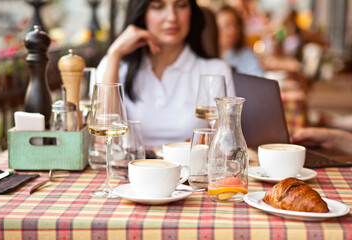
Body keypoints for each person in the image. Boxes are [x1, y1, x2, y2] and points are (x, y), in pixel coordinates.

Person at [97, 0, 235, 146]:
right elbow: (103, 141)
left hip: (191, 167)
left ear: (191, 12)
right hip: (130, 167)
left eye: (181, 5)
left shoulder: (216, 71)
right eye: (158, 7)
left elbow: (226, 145)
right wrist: (114, 53)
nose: (172, 17)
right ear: (143, 14)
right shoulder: (114, 64)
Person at [216, 5, 264, 77]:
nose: (233, 30)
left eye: (235, 25)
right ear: (215, 29)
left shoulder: (246, 54)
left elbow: (260, 79)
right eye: (227, 25)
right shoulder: (209, 56)